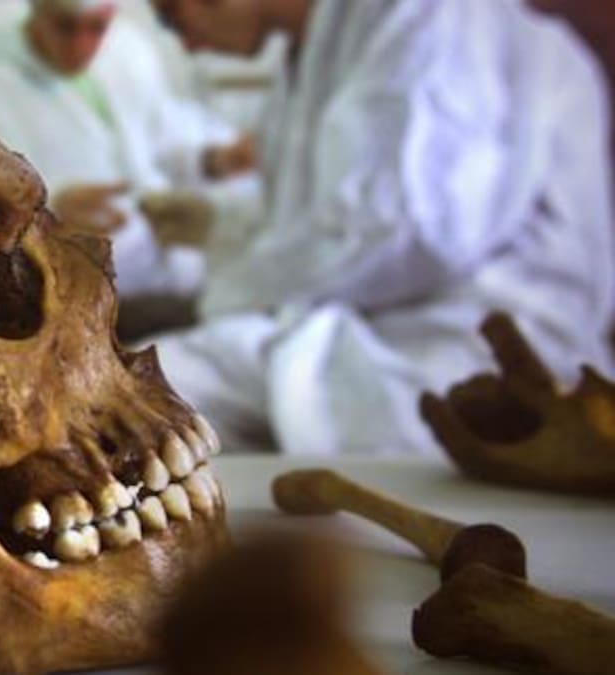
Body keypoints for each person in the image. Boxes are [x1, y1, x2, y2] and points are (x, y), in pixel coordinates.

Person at [144, 0, 615, 455]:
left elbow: (406, 232)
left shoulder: (426, 14)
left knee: (140, 401)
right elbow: (323, 214)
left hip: (458, 352)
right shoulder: (315, 48)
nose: (184, 43)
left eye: (171, 14)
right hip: (370, 329)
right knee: (151, 396)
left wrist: (230, 293)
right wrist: (222, 225)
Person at [0, 0, 246, 334]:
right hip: (82, 294)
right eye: (65, 27)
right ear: (37, 13)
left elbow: (159, 138)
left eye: (96, 28)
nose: (81, 46)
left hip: (169, 270)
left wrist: (212, 160)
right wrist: (53, 205)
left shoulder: (126, 56)